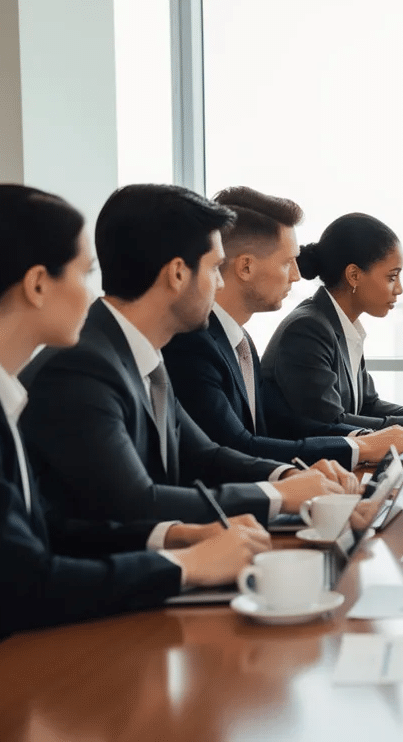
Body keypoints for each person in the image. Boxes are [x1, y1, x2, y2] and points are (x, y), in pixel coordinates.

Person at [0, 184, 269, 657]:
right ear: (37, 284)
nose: (94, 294)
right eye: (84, 273)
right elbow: (24, 582)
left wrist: (173, 537)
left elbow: (49, 529)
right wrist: (184, 566)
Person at [20, 184, 352, 526]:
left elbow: (203, 454)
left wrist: (285, 477)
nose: (220, 284)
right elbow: (136, 502)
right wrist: (278, 496)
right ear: (178, 274)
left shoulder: (142, 353)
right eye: (213, 268)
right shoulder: (82, 367)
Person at [163, 187, 403, 466]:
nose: (298, 275)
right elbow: (235, 447)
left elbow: (279, 430)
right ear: (246, 268)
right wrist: (359, 446)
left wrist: (364, 441)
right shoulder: (194, 345)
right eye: (288, 262)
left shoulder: (241, 342)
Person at [259, 212, 403, 440]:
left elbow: (368, 405)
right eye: (392, 277)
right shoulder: (307, 330)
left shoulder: (339, 324)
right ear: (354, 275)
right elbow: (331, 422)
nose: (399, 289)